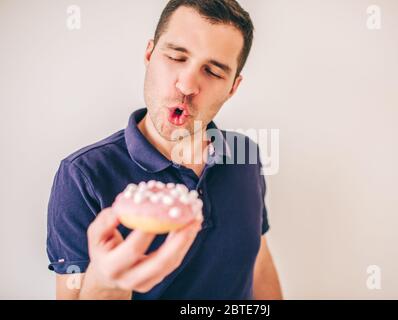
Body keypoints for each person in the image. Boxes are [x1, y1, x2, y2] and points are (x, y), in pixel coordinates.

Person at [47, 0, 283, 300]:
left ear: (232, 88)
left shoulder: (245, 154)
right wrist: (107, 282)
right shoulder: (82, 175)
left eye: (212, 71)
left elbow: (258, 260)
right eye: (175, 56)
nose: (186, 84)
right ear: (149, 54)